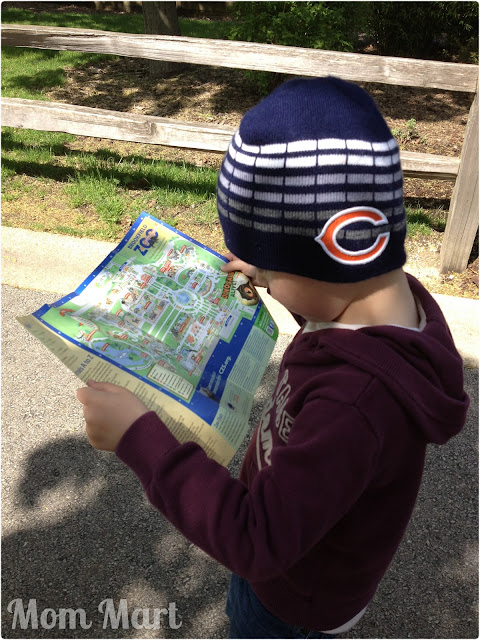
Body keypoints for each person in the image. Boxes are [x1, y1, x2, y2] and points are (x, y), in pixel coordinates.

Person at [77, 77, 469, 638]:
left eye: (267, 271)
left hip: (295, 598)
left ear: (331, 260)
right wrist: (277, 278)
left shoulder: (355, 405)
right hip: (303, 545)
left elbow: (255, 541)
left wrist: (139, 437)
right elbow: (324, 305)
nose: (257, 278)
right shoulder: (389, 307)